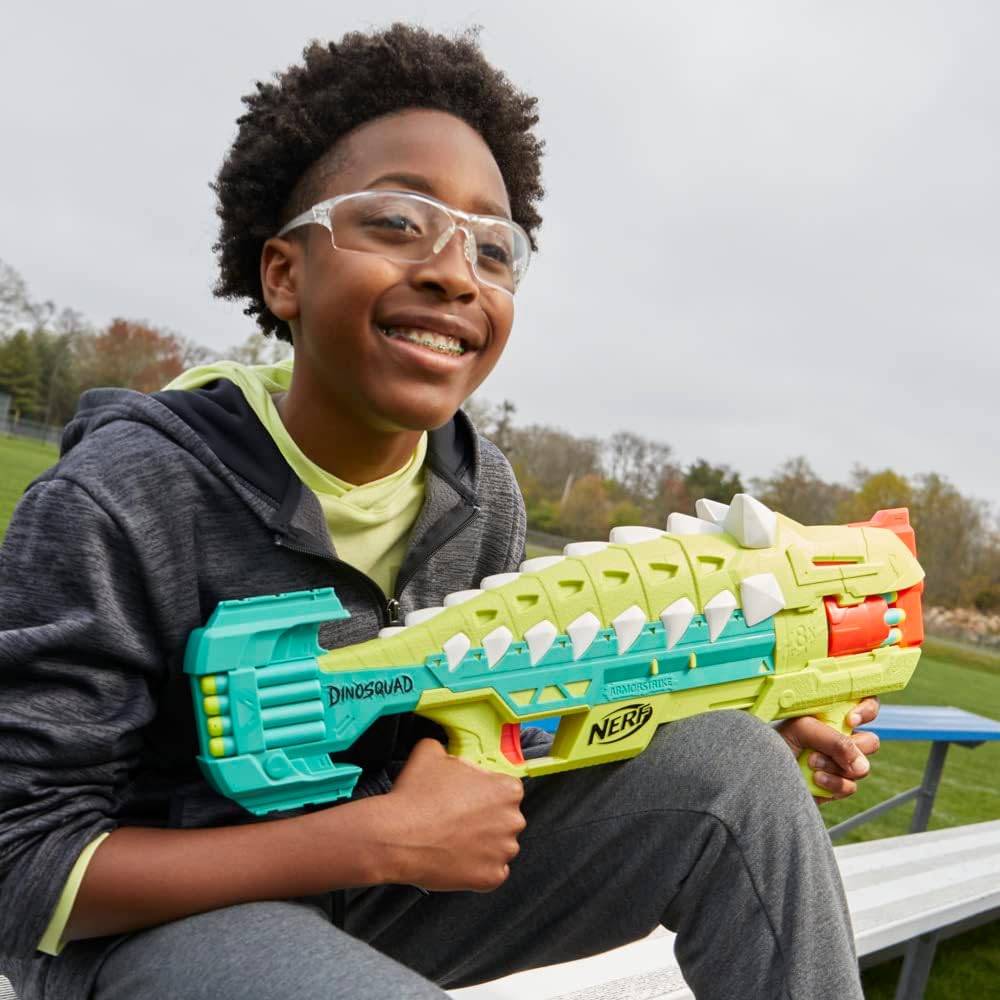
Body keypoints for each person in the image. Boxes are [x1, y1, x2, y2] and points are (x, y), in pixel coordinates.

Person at [0, 24, 880, 1000]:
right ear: (283, 274)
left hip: (387, 892)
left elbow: (508, 734)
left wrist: (728, 691)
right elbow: (19, 866)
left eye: (492, 248)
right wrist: (370, 838)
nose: (456, 272)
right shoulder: (123, 495)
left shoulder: (479, 491)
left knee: (735, 768)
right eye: (395, 221)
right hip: (156, 933)